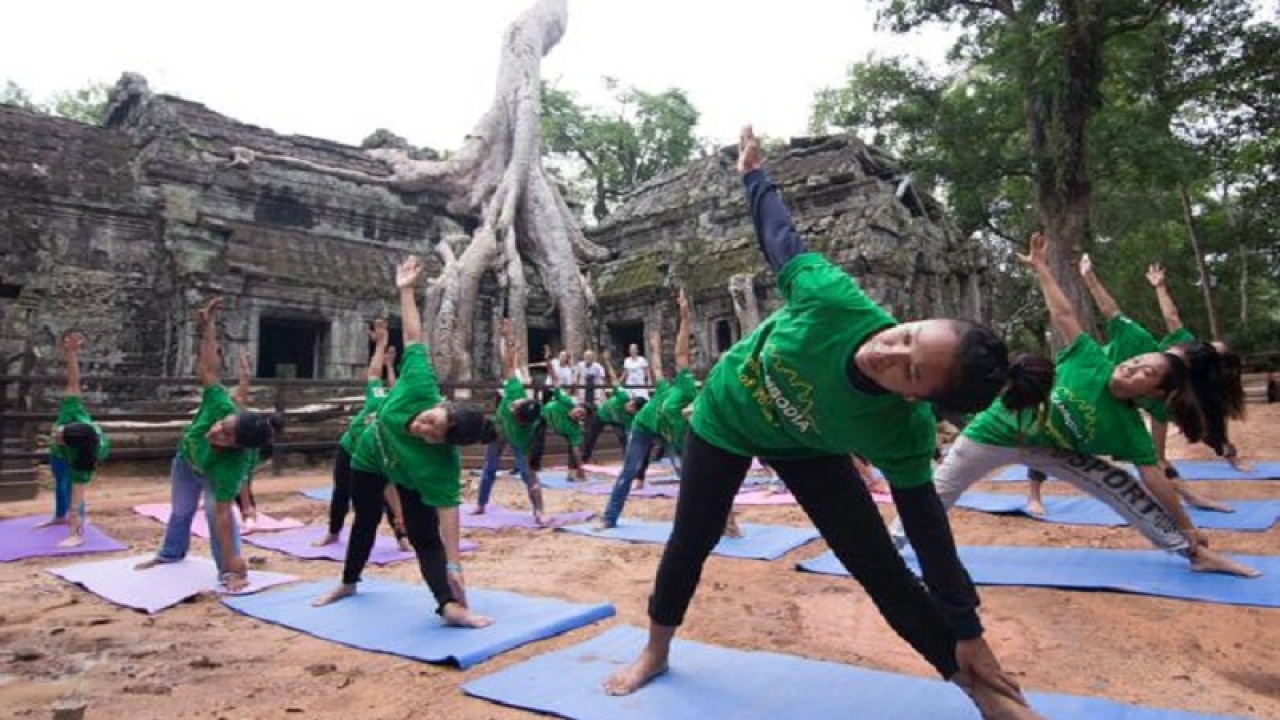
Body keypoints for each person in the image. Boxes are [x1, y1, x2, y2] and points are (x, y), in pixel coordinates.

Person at [603, 127, 1050, 720]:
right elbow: (779, 237)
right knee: (693, 538)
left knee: (877, 567)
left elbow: (929, 540)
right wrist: (753, 176)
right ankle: (655, 651)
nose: (888, 352)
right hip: (724, 420)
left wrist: (968, 629)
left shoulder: (903, 434)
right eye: (907, 334)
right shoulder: (834, 300)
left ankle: (979, 691)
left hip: (805, 447)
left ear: (920, 401)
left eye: (910, 372)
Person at [890, 233, 1259, 579]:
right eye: (1135, 361)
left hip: (1047, 449)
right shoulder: (1089, 358)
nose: (1130, 366)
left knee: (1122, 488)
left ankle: (1193, 553)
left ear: (1156, 393)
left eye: (1144, 372)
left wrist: (1187, 524)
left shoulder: (1129, 431)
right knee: (937, 492)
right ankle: (893, 545)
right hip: (992, 433)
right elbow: (1065, 314)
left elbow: (1154, 479)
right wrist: (1042, 268)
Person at [310, 257, 497, 627]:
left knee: (425, 537)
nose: (423, 429)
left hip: (409, 476)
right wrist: (406, 289)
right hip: (368, 457)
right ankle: (348, 583)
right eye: (431, 420)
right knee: (364, 518)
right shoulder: (420, 385)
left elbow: (449, 513)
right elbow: (413, 337)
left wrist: (455, 563)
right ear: (439, 404)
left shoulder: (441, 464)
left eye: (433, 435)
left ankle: (448, 607)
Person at [1024, 256, 1233, 515]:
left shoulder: (1164, 395)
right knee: (1046, 425)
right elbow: (1121, 312)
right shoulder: (1144, 340)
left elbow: (1156, 458)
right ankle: (1034, 494)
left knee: (1063, 435)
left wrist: (1188, 498)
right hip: (1083, 379)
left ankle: (1188, 495)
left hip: (1109, 402)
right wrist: (1090, 278)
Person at [135, 299, 283, 591]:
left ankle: (228, 570)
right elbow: (209, 367)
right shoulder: (219, 404)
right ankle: (171, 553)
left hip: (213, 472)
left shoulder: (233, 465)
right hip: (186, 461)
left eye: (227, 436)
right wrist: (208, 327)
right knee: (181, 510)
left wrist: (234, 565)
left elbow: (223, 518)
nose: (217, 432)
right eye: (222, 426)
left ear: (238, 447)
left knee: (218, 514)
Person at [314, 319, 410, 552]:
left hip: (372, 459)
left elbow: (391, 486)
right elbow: (374, 373)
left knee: (385, 495)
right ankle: (333, 532)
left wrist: (400, 516)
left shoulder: (394, 427)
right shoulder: (378, 398)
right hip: (349, 448)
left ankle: (401, 537)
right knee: (341, 492)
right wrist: (380, 345)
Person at [1146, 262, 1251, 472]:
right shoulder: (1189, 343)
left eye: (1213, 347)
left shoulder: (1204, 384)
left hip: (1167, 400)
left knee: (1209, 434)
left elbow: (1217, 428)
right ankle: (1160, 461)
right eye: (1212, 343)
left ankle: (1161, 461)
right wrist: (1159, 287)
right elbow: (1171, 316)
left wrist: (1159, 286)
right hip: (1157, 392)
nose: (1209, 344)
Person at [38, 332, 110, 548]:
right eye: (56, 432)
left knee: (74, 492)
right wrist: (71, 353)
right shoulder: (72, 411)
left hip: (84, 452)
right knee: (60, 482)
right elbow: (74, 380)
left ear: (70, 446)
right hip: (64, 453)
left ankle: (75, 526)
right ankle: (58, 516)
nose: (53, 435)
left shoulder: (83, 460)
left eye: (57, 437)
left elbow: (77, 498)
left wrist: (74, 534)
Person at [472, 319, 547, 524]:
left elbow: (532, 476)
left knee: (526, 474)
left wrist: (540, 513)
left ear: (520, 420)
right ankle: (481, 504)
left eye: (514, 409)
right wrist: (507, 337)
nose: (511, 405)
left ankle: (538, 509)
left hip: (514, 438)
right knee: (489, 468)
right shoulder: (516, 391)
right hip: (498, 429)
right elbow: (508, 367)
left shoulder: (526, 433)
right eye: (515, 404)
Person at [580, 352, 648, 468]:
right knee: (591, 434)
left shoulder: (630, 419)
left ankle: (628, 458)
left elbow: (630, 434)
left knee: (623, 438)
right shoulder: (623, 396)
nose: (629, 407)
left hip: (617, 420)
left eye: (632, 408)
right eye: (630, 404)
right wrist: (607, 362)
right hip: (603, 414)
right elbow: (614, 379)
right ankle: (584, 458)